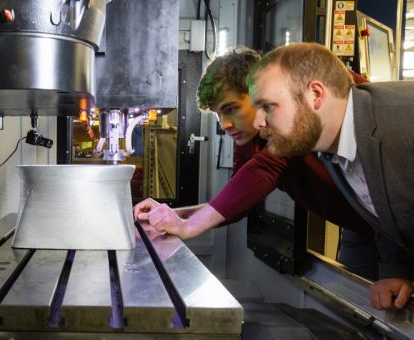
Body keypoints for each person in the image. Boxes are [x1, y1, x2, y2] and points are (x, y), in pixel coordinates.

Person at [246, 42, 414, 340]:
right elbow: (389, 198)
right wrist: (395, 271)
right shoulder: (332, 140)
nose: (258, 122)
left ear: (315, 95)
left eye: (268, 106)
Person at [133, 47, 378, 279]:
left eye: (231, 109)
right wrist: (173, 216)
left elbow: (266, 167)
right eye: (219, 114)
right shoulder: (249, 138)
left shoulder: (289, 115)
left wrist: (187, 227)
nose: (225, 124)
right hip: (364, 224)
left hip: (395, 214)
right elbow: (235, 203)